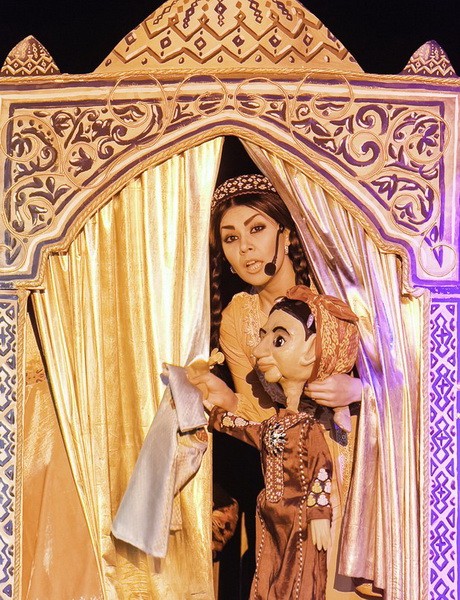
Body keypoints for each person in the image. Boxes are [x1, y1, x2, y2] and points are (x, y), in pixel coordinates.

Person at [200, 173, 365, 597]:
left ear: (286, 234)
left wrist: (359, 392)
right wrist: (225, 401)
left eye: (257, 229)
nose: (245, 247)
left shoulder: (332, 293)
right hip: (290, 473)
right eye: (231, 238)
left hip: (353, 452)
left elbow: (408, 372)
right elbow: (259, 414)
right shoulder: (238, 317)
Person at [192, 285, 360, 599]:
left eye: (278, 340)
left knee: (306, 581)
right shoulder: (280, 421)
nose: (259, 351)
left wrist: (318, 512)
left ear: (311, 349)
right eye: (264, 337)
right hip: (273, 518)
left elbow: (321, 468)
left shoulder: (311, 429)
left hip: (304, 518)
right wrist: (221, 413)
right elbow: (254, 430)